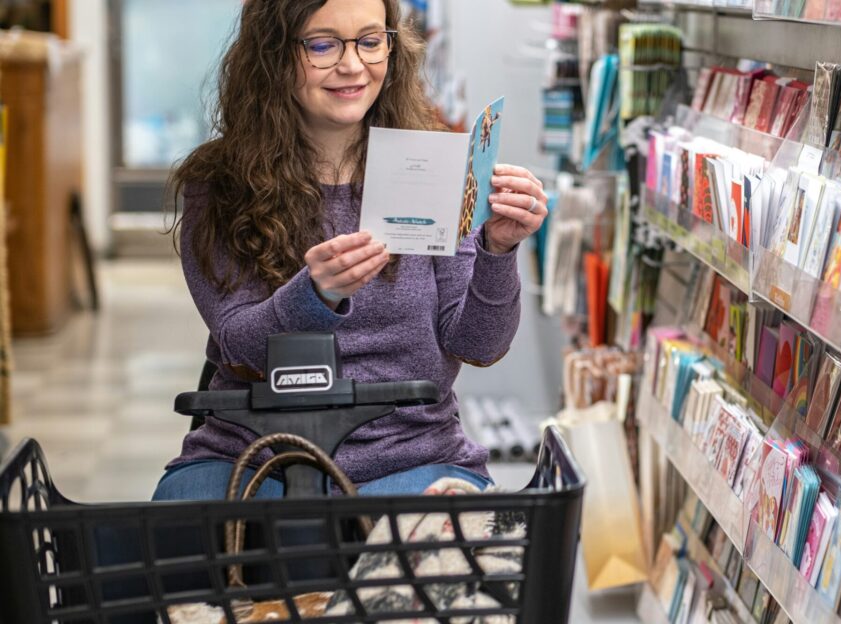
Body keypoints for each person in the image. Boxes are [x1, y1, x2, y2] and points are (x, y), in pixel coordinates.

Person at [154, 0, 548, 501]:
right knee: (176, 550)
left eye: (369, 40)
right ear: (273, 55)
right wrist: (314, 295)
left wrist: (498, 249)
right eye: (322, 45)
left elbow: (478, 344)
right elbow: (240, 347)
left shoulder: (427, 166)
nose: (353, 65)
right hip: (253, 452)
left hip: (412, 453)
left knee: (439, 559)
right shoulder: (219, 183)